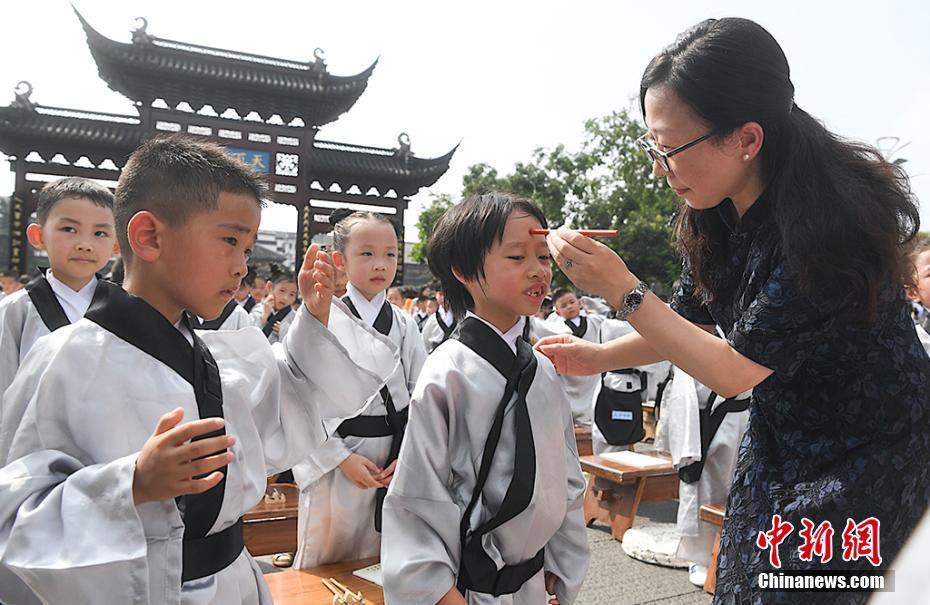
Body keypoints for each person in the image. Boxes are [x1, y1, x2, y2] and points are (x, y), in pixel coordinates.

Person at [536, 18, 928, 604]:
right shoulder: (717, 212)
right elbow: (690, 322)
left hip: (866, 452)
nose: (656, 167)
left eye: (668, 148)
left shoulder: (826, 228)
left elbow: (732, 367)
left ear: (747, 138)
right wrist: (598, 355)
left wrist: (619, 287)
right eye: (652, 145)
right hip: (785, 439)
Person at [0, 136, 397, 605]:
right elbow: (15, 521)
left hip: (234, 581)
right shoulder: (64, 360)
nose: (241, 267)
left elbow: (282, 420)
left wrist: (315, 319)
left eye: (247, 248)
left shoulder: (214, 351)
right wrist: (131, 483)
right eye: (230, 240)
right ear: (149, 236)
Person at [382, 192, 590, 605]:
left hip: (534, 583)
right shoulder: (448, 374)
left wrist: (560, 572)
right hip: (469, 589)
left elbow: (565, 480)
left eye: (543, 257)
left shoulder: (542, 369)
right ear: (463, 270)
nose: (538, 272)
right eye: (517, 258)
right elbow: (416, 501)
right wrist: (440, 593)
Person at [292, 209, 427, 569]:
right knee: (329, 556)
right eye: (366, 253)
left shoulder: (406, 324)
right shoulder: (321, 318)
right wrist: (340, 458)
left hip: (393, 457)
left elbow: (422, 400)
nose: (380, 264)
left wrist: (408, 456)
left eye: (390, 254)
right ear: (340, 260)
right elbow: (299, 401)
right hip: (338, 457)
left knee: (384, 561)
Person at [0, 177, 117, 440]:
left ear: (116, 245)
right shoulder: (15, 312)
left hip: (106, 450)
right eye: (69, 229)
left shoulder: (124, 310)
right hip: (31, 449)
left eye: (100, 233)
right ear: (38, 236)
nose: (84, 244)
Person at [250, 269, 298, 343]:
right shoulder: (258, 309)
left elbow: (298, 345)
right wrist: (263, 317)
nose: (286, 297)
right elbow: (248, 336)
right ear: (270, 287)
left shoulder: (295, 318)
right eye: (282, 291)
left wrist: (287, 333)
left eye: (292, 294)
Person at [420, 286, 458, 353]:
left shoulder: (458, 316)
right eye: (440, 294)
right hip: (436, 353)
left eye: (446, 294)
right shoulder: (433, 318)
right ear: (436, 295)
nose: (443, 297)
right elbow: (424, 340)